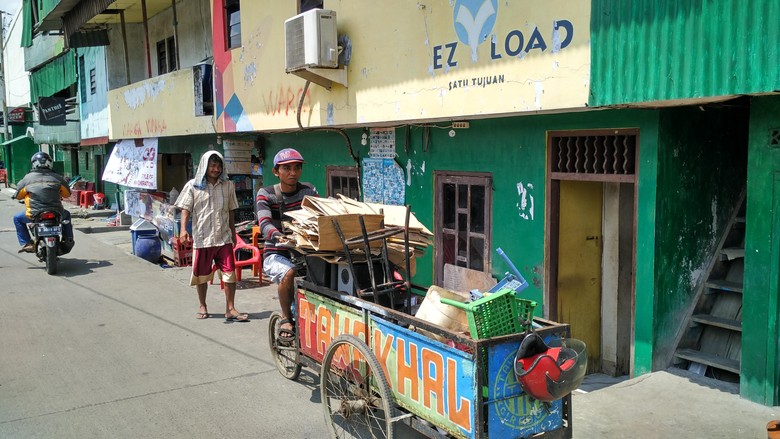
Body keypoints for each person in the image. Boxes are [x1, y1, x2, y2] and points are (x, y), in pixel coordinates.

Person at [175, 151, 248, 322]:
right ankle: (203, 305)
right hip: (202, 238)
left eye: (218, 166)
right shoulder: (193, 185)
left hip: (223, 238)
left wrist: (233, 233)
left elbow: (231, 211)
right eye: (212, 166)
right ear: (204, 167)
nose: (216, 169)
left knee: (230, 274)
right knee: (201, 275)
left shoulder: (228, 186)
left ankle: (230, 308)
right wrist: (184, 230)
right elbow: (185, 208)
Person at [256, 148, 318, 342]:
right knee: (289, 272)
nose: (293, 172)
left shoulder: (309, 191)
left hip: (303, 252)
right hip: (276, 253)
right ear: (276, 171)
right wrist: (280, 237)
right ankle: (285, 317)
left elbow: (318, 217)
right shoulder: (266, 194)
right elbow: (264, 223)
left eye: (297, 168)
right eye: (287, 168)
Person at [13, 152, 75, 254]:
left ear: (33, 164)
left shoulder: (27, 179)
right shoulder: (58, 178)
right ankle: (67, 239)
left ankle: (27, 243)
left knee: (17, 218)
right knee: (66, 215)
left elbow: (18, 195)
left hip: (34, 213)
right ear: (50, 163)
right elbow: (67, 194)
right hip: (56, 212)